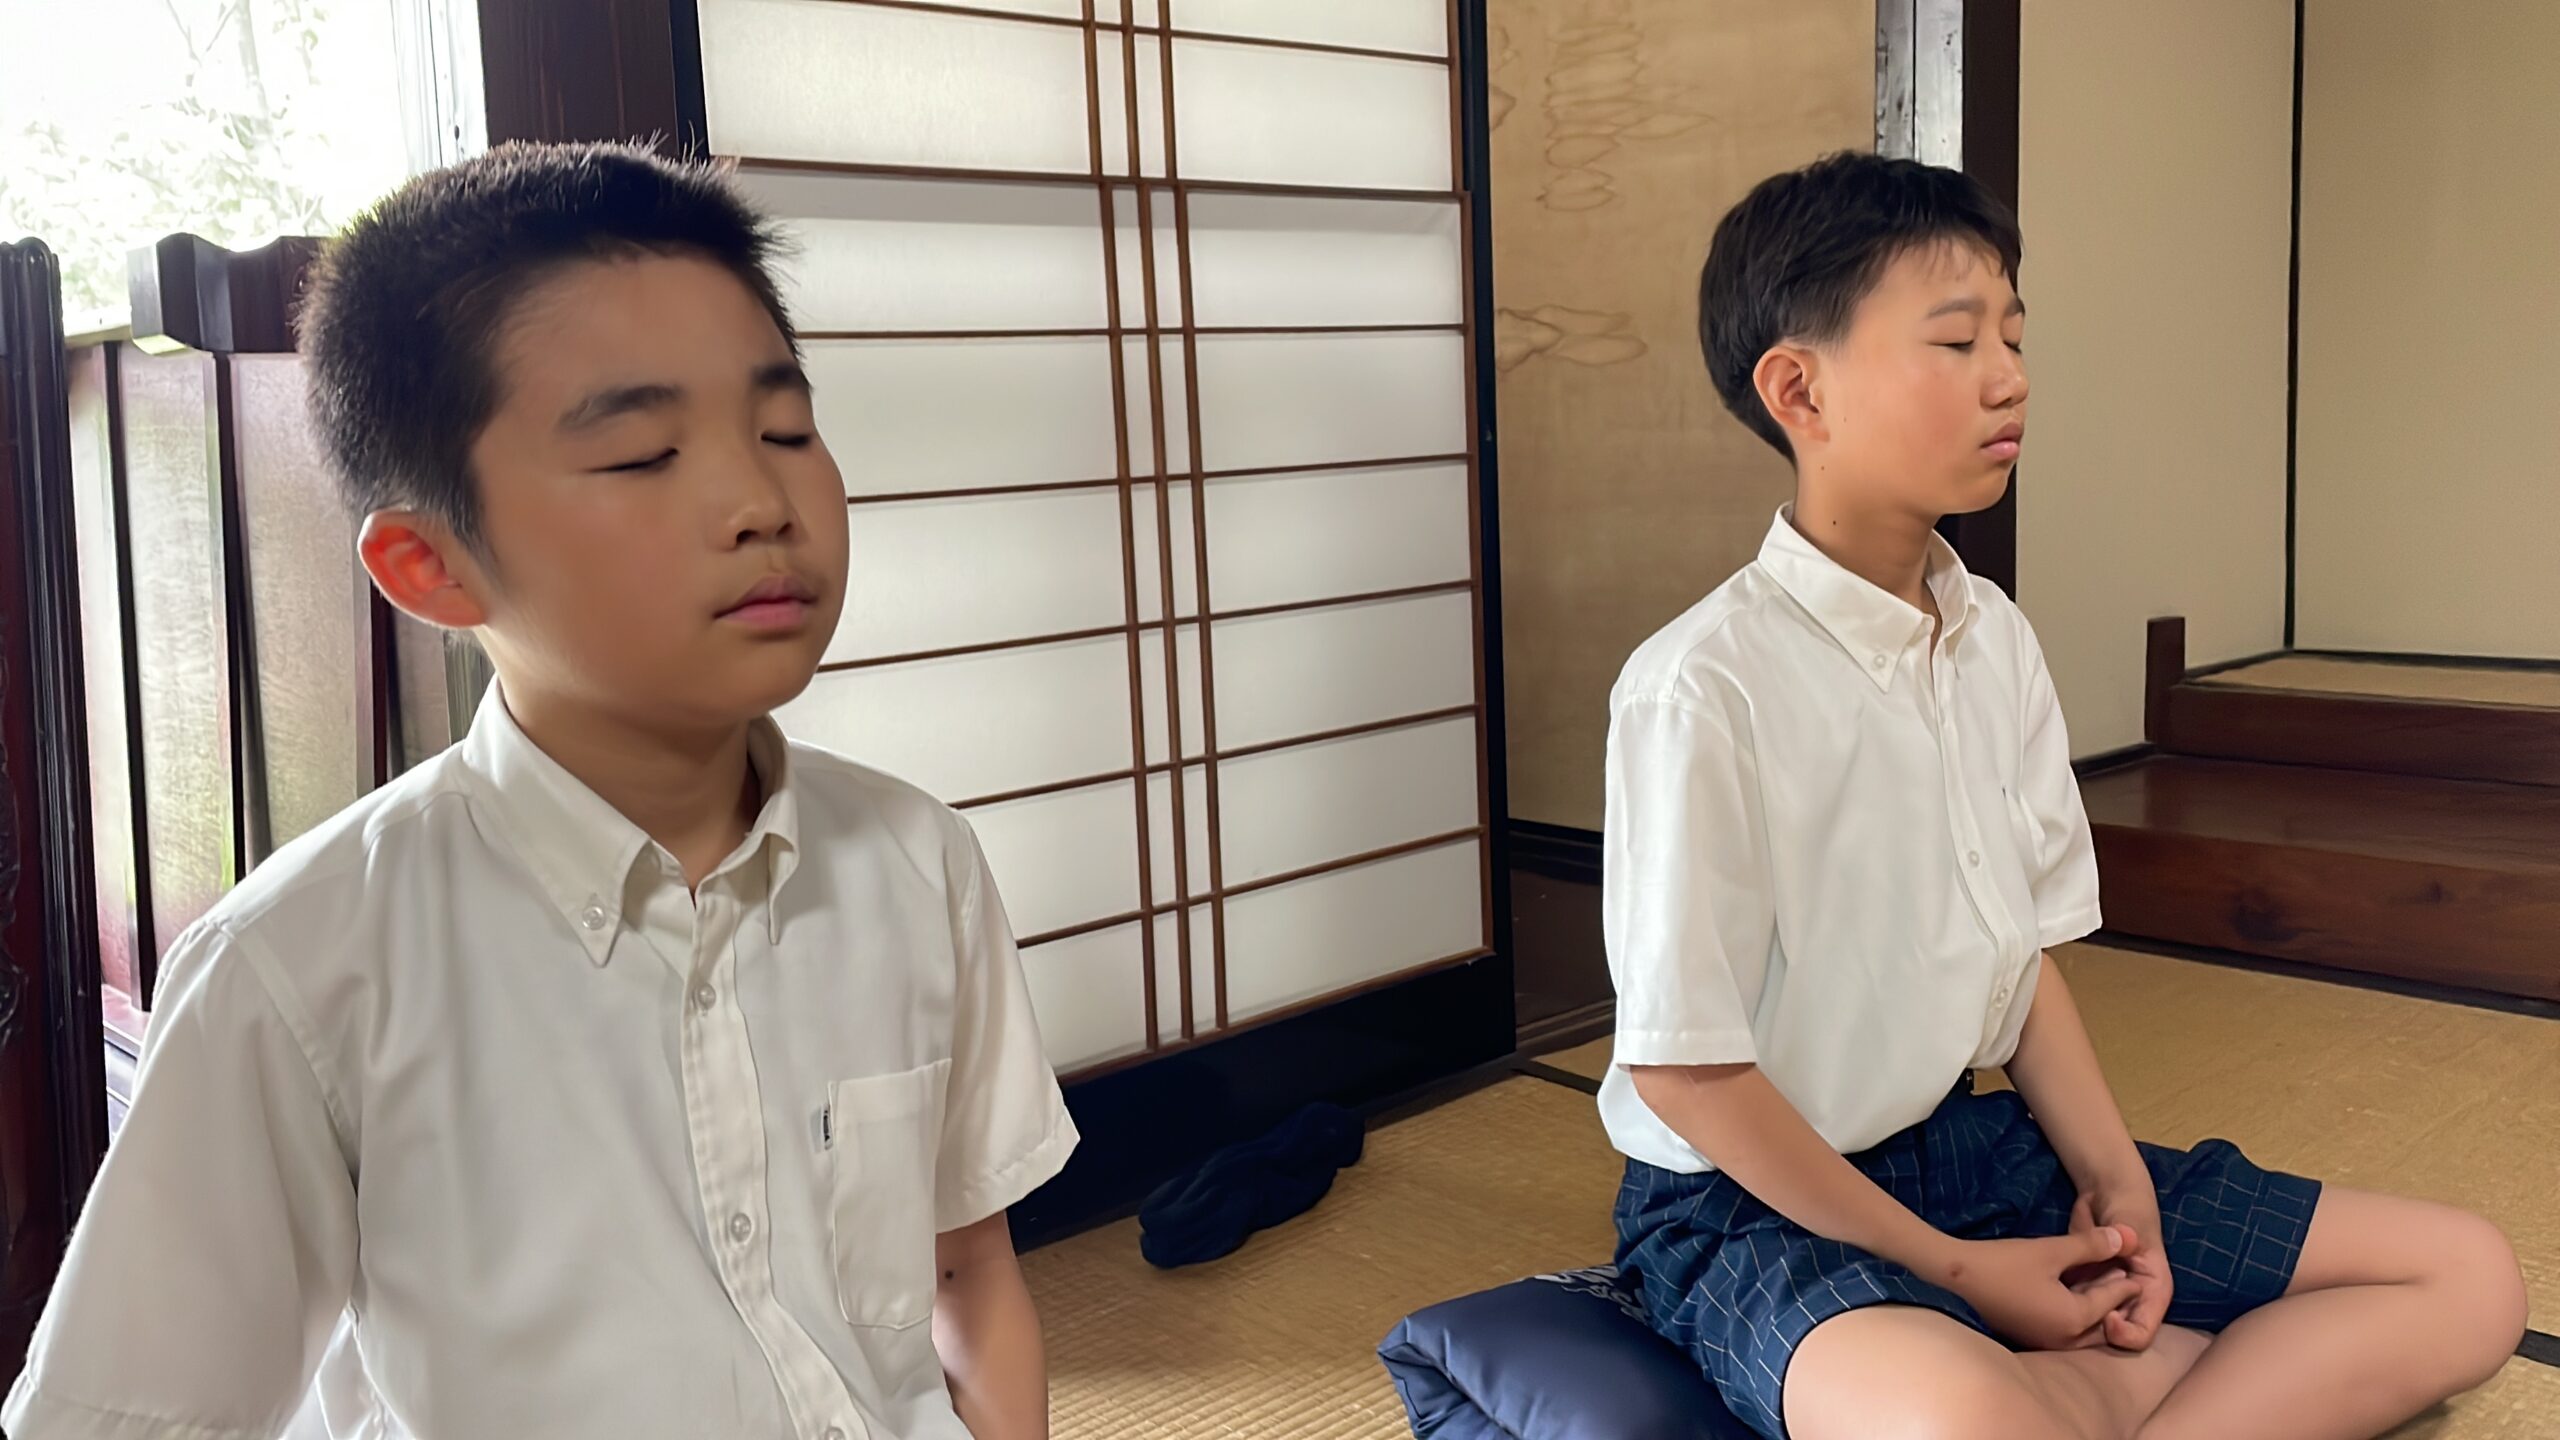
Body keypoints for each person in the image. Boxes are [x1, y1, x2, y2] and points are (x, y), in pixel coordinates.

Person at [4, 141, 1076, 1440]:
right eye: (643, 454)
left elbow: (966, 1275)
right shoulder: (297, 971)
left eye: (786, 430)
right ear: (430, 566)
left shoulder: (917, 858)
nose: (761, 499)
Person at [1600, 151, 2527, 1440]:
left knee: (2469, 1280)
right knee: (1967, 1420)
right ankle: (2122, 1385)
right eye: (1956, 341)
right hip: (1753, 1209)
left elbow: (2023, 962)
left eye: (2015, 337)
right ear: (1799, 389)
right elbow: (1688, 1075)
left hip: (1972, 1152)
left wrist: (2114, 1181)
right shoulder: (1699, 688)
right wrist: (1964, 1274)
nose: (2009, 377)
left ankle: (2100, 1397)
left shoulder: (1994, 639)